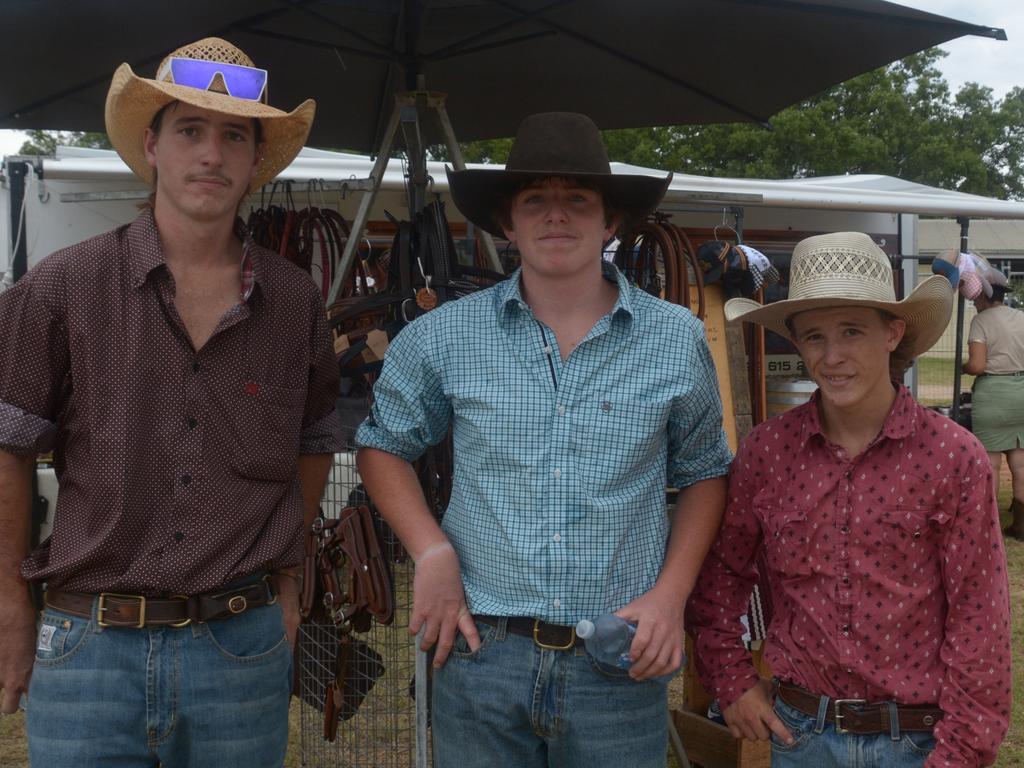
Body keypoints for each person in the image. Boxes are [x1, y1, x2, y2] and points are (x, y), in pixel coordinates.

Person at [0, 38, 340, 767]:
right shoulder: (62, 288)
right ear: (152, 146)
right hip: (89, 646)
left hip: (239, 648)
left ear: (255, 161)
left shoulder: (293, 303)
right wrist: (7, 605)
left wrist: (288, 576)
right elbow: (9, 445)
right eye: (190, 130)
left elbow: (313, 442)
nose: (210, 155)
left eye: (232, 136)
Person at [355, 111, 732, 767]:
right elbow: (382, 444)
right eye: (536, 200)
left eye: (578, 200)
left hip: (618, 661)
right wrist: (431, 551)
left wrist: (672, 596)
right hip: (482, 653)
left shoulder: (676, 339)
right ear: (507, 222)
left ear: (610, 221)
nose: (557, 216)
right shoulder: (445, 337)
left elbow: (705, 472)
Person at [686, 232, 1012, 767]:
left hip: (918, 739)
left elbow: (980, 621)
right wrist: (732, 679)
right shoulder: (768, 453)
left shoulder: (953, 457)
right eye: (814, 337)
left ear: (893, 332)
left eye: (852, 332)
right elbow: (721, 576)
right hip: (800, 735)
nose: (832, 356)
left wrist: (961, 753)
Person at [963, 282, 1024, 540]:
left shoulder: (981, 320)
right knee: (1020, 460)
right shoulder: (1021, 316)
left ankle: (990, 523)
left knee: (992, 463)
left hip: (993, 394)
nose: (975, 303)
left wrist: (963, 367)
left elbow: (977, 365)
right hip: (1021, 390)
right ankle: (1021, 523)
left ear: (986, 298)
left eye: (976, 298)